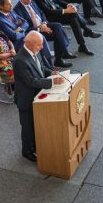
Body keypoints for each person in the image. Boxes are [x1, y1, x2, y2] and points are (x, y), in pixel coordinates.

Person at [13, 31, 65, 162]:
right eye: (39, 45)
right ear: (29, 44)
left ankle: (36, 146)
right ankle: (27, 151)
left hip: (37, 96)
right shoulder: (20, 60)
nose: (42, 47)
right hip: (26, 99)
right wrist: (52, 82)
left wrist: (51, 73)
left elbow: (40, 69)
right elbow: (31, 81)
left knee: (36, 124)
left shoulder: (35, 51)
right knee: (28, 127)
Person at [33, 0, 100, 54]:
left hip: (57, 12)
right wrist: (65, 11)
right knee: (73, 14)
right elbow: (47, 11)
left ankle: (82, 45)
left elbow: (58, 0)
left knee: (73, 17)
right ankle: (86, 31)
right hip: (48, 17)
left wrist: (69, 5)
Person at [14, 0, 91, 59]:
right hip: (34, 31)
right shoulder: (17, 10)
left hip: (43, 24)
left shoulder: (32, 2)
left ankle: (65, 51)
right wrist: (39, 28)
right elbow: (25, 28)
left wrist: (44, 23)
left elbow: (42, 13)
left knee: (58, 25)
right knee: (57, 34)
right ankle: (62, 56)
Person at [0, 0, 67, 68]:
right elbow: (14, 36)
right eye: (8, 4)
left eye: (11, 3)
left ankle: (49, 64)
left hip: (22, 36)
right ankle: (45, 66)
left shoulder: (10, 11)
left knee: (41, 37)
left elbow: (25, 22)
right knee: (36, 41)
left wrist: (20, 29)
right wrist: (21, 30)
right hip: (15, 44)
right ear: (1, 6)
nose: (11, 5)